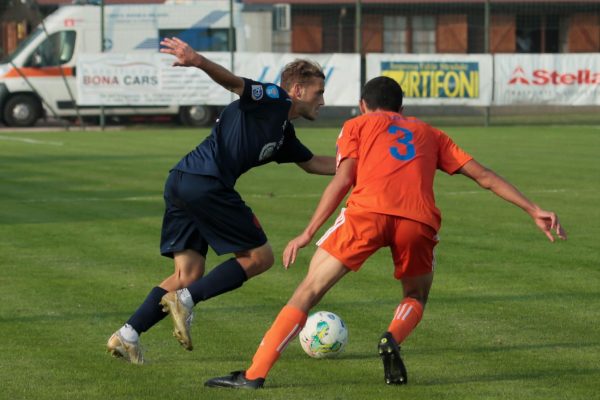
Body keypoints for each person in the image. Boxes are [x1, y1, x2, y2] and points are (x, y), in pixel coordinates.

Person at [204, 76, 567, 389]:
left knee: (309, 290)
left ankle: (254, 375)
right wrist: (534, 209)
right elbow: (484, 176)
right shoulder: (431, 133)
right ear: (401, 107)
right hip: (418, 221)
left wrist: (306, 232)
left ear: (363, 105)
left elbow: (344, 180)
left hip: (366, 215)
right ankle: (393, 337)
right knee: (415, 295)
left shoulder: (356, 126)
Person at [106, 37, 336, 364]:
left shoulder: (283, 133)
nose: (323, 101)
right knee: (260, 257)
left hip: (182, 181)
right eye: (319, 93)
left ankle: (128, 334)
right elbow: (235, 84)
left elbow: (314, 163)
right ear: (297, 90)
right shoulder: (273, 98)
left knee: (187, 274)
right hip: (206, 184)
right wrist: (197, 60)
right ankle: (185, 300)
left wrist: (360, 159)